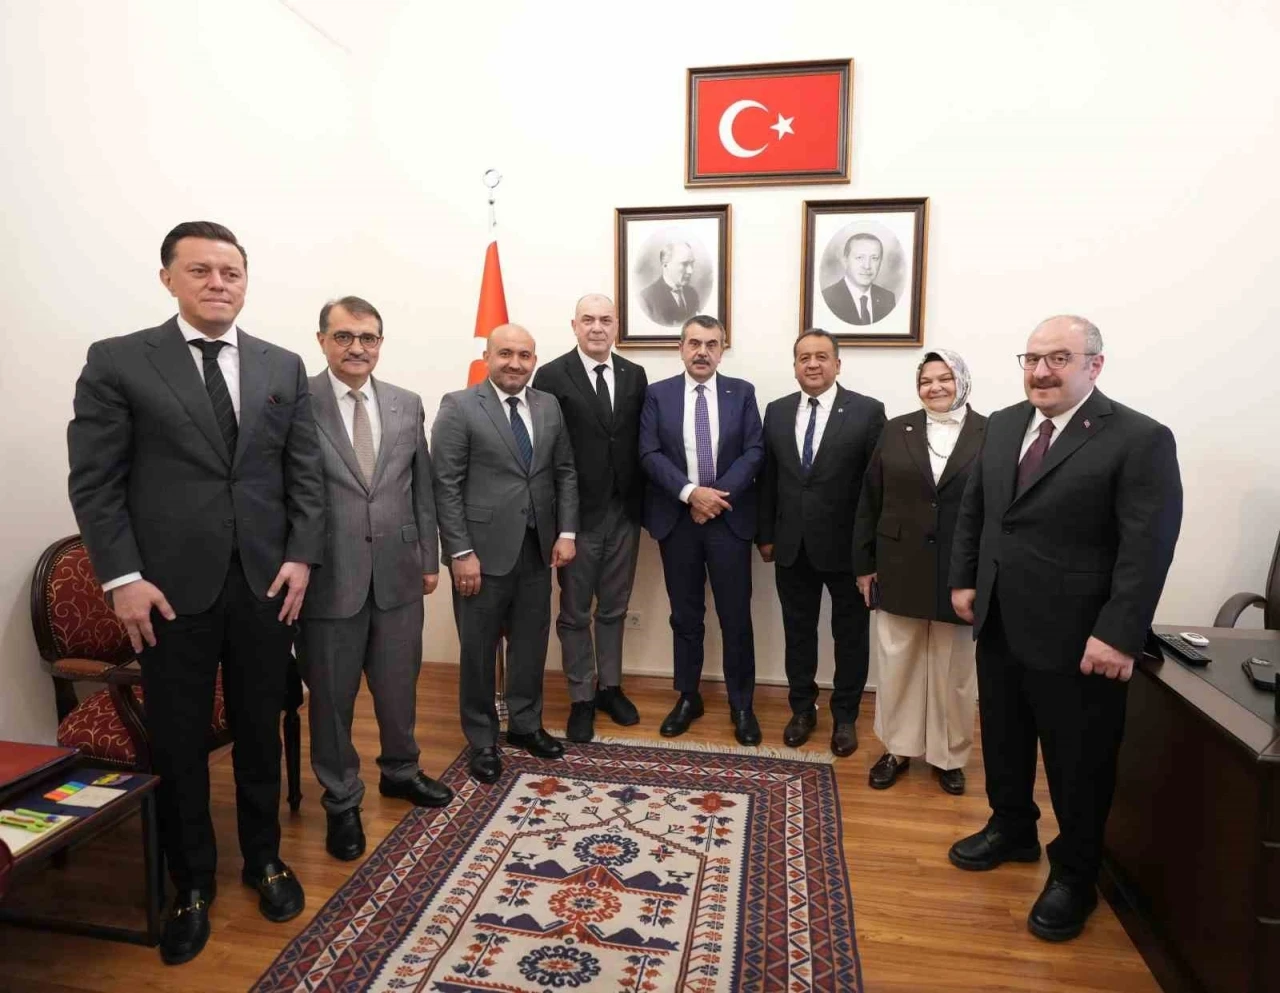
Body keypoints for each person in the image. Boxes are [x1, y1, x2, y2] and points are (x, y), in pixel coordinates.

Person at [67, 221, 324, 965]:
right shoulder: (119, 361)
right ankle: (191, 883)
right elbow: (96, 482)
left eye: (231, 272)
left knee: (259, 727)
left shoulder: (281, 365)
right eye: (201, 270)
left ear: (246, 281)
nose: (218, 283)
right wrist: (121, 578)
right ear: (168, 279)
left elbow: (302, 473)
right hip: (166, 593)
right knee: (178, 740)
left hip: (265, 584)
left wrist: (301, 557)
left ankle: (264, 858)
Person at [948, 316, 1182, 942]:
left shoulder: (1139, 438)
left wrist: (1120, 633)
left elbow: (1148, 546)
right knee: (1003, 738)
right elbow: (977, 509)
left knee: (1079, 763)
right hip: (1000, 620)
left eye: (1058, 358)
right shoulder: (1002, 424)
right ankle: (1012, 828)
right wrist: (964, 579)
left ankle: (1076, 874)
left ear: (1094, 366)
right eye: (1032, 358)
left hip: (1081, 638)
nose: (1041, 371)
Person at [298, 296, 453, 864]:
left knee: (397, 684)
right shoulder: (296, 402)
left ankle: (401, 771)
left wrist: (429, 557)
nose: (357, 348)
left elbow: (423, 488)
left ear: (380, 343)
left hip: (399, 572)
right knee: (331, 698)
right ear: (322, 341)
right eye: (344, 336)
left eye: (368, 337)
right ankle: (341, 799)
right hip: (327, 577)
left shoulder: (406, 403)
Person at [431, 324, 579, 784]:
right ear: (488, 356)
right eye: (506, 354)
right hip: (480, 555)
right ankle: (482, 739)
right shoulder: (459, 406)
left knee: (531, 643)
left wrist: (566, 532)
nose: (515, 363)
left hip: (537, 549)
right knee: (478, 649)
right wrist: (460, 551)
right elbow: (445, 485)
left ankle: (525, 725)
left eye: (525, 355)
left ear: (535, 360)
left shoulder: (548, 405)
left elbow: (564, 472)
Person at [853, 349, 986, 791]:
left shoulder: (991, 432)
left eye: (945, 378)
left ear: (962, 380)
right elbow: (870, 498)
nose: (935, 387)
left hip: (960, 572)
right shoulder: (896, 429)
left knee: (954, 671)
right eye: (926, 380)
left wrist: (984, 574)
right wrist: (865, 565)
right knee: (899, 664)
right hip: (899, 565)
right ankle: (897, 749)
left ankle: (949, 757)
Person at [757, 329, 886, 756]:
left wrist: (870, 553)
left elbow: (876, 489)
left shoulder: (867, 412)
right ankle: (802, 709)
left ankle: (845, 716)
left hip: (848, 550)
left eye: (821, 356)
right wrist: (766, 535)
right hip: (791, 545)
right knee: (798, 633)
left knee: (850, 636)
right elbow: (769, 478)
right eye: (804, 357)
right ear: (795, 365)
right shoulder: (777, 411)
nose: (812, 364)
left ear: (837, 364)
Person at [639, 315, 764, 745]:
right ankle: (688, 696)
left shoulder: (742, 393)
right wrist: (692, 494)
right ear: (681, 347)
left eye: (712, 344)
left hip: (728, 520)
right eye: (694, 343)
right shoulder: (657, 394)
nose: (702, 352)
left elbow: (754, 451)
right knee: (685, 616)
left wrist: (713, 499)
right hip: (678, 521)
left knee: (736, 617)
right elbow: (649, 453)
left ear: (722, 350)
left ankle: (742, 703)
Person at [532, 294, 648, 742]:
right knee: (576, 612)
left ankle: (610, 688)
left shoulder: (634, 374)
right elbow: (546, 448)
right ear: (574, 326)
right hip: (575, 515)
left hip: (624, 512)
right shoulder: (551, 375)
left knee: (615, 607)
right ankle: (581, 696)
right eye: (588, 319)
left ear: (616, 326)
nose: (597, 327)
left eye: (605, 319)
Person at [821, 233, 896, 325]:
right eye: (859, 258)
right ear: (845, 261)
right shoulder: (828, 298)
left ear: (880, 262)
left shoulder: (888, 298)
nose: (867, 266)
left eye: (874, 258)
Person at [639, 242, 700, 326]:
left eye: (692, 263)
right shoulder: (646, 298)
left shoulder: (692, 294)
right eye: (684, 264)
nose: (690, 271)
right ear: (665, 265)